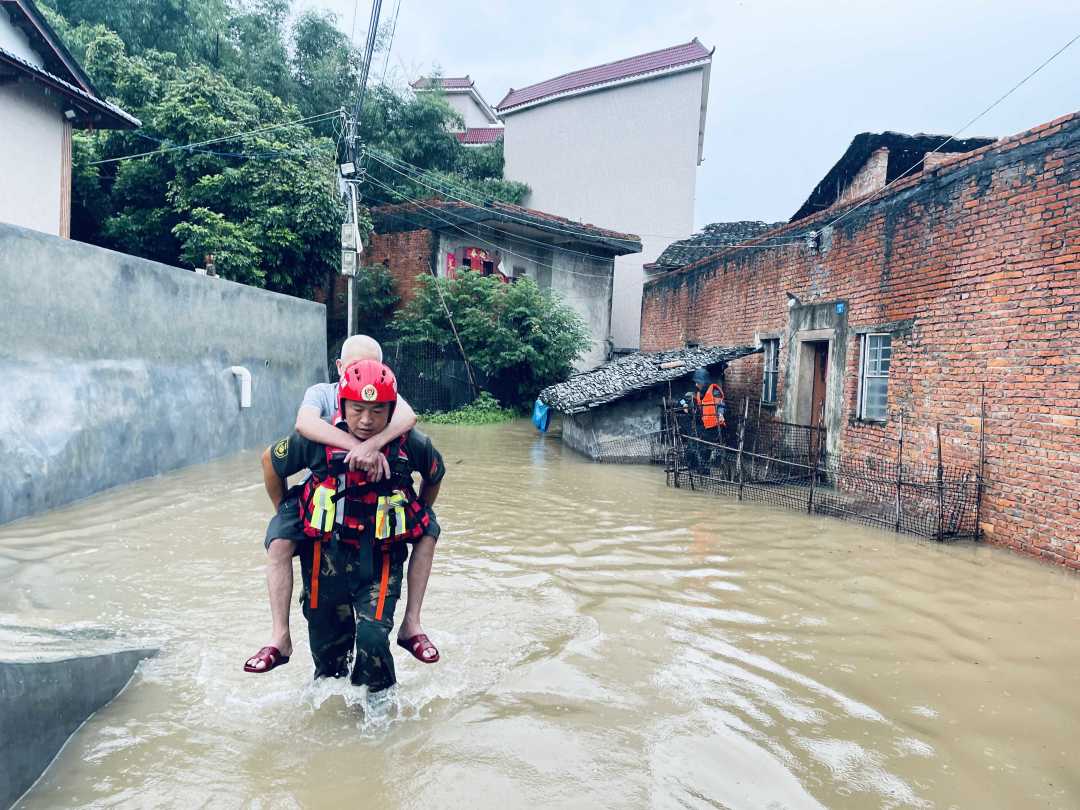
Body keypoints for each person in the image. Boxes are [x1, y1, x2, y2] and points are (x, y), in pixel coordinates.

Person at [243, 336, 437, 673]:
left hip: (378, 554)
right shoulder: (316, 426)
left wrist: (411, 510)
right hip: (324, 550)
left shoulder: (405, 434)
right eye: (356, 408)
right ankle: (280, 637)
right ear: (340, 384)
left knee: (374, 643)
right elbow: (275, 457)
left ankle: (411, 628)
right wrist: (287, 511)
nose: (365, 416)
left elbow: (432, 467)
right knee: (328, 663)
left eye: (376, 409)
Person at [681, 367, 726, 472]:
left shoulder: (715, 391)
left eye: (698, 382)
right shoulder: (699, 394)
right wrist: (684, 405)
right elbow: (683, 399)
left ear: (704, 382)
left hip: (714, 427)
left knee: (703, 449)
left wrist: (720, 414)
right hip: (703, 426)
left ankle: (703, 470)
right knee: (694, 445)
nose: (696, 385)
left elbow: (721, 405)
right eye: (696, 383)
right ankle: (695, 468)